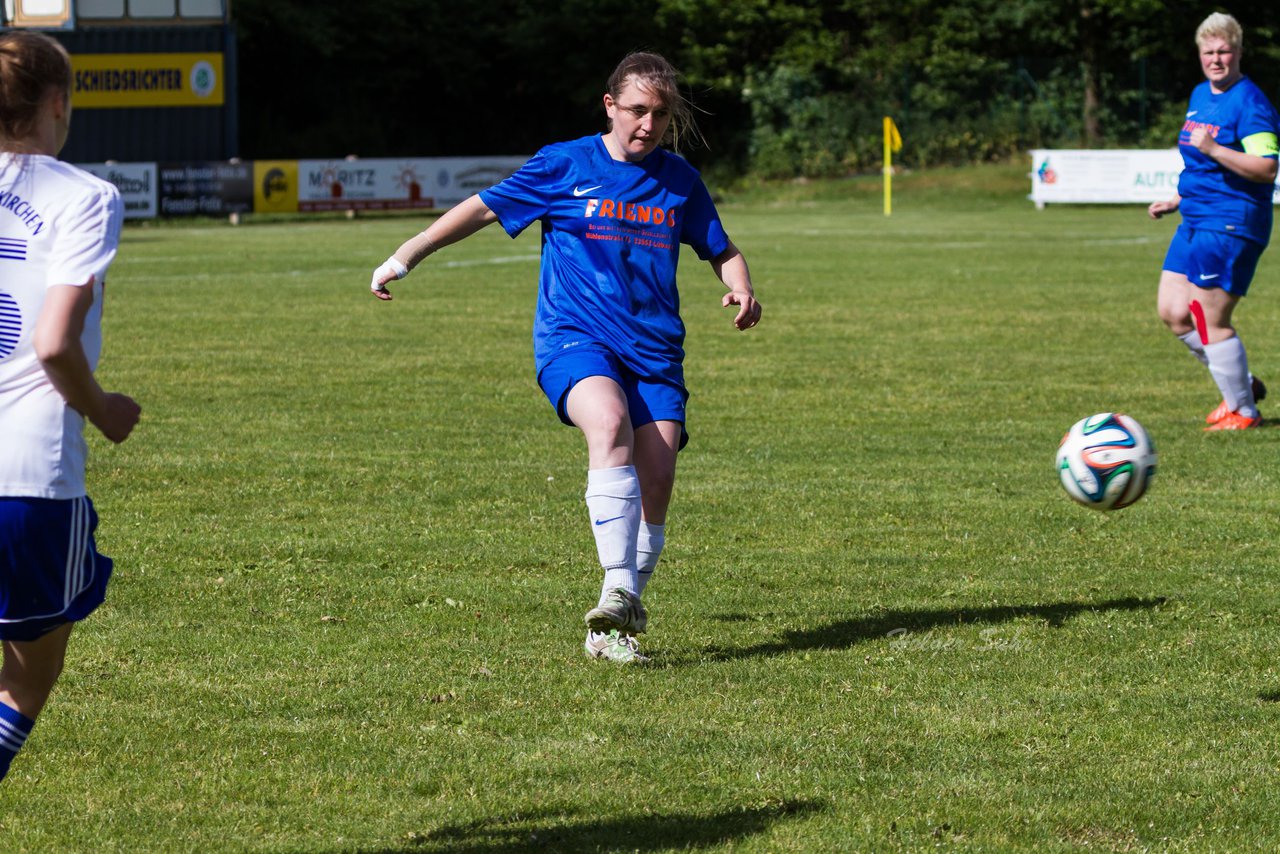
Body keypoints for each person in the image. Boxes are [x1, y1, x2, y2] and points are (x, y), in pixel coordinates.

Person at [370, 51, 761, 663]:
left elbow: (721, 247)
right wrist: (406, 254)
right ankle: (620, 589)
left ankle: (614, 626)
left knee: (657, 478)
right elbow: (480, 209)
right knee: (607, 425)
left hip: (655, 349)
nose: (647, 124)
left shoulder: (679, 179)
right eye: (636, 110)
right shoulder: (564, 164)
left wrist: (741, 285)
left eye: (660, 114)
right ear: (609, 105)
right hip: (574, 336)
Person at [0, 30, 140, 782]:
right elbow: (54, 343)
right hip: (26, 478)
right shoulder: (82, 196)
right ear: (58, 102)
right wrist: (103, 407)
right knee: (23, 682)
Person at [1149, 12, 1279, 431]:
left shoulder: (1251, 103)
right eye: (1209, 52)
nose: (1216, 59)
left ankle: (1242, 409)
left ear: (1239, 52)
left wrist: (1216, 149)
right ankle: (1239, 382)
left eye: (1224, 50)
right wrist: (1176, 198)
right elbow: (1199, 165)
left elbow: (1267, 167)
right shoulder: (1200, 95)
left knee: (1208, 316)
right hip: (1194, 217)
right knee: (1173, 312)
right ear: (1200, 54)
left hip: (1230, 221)